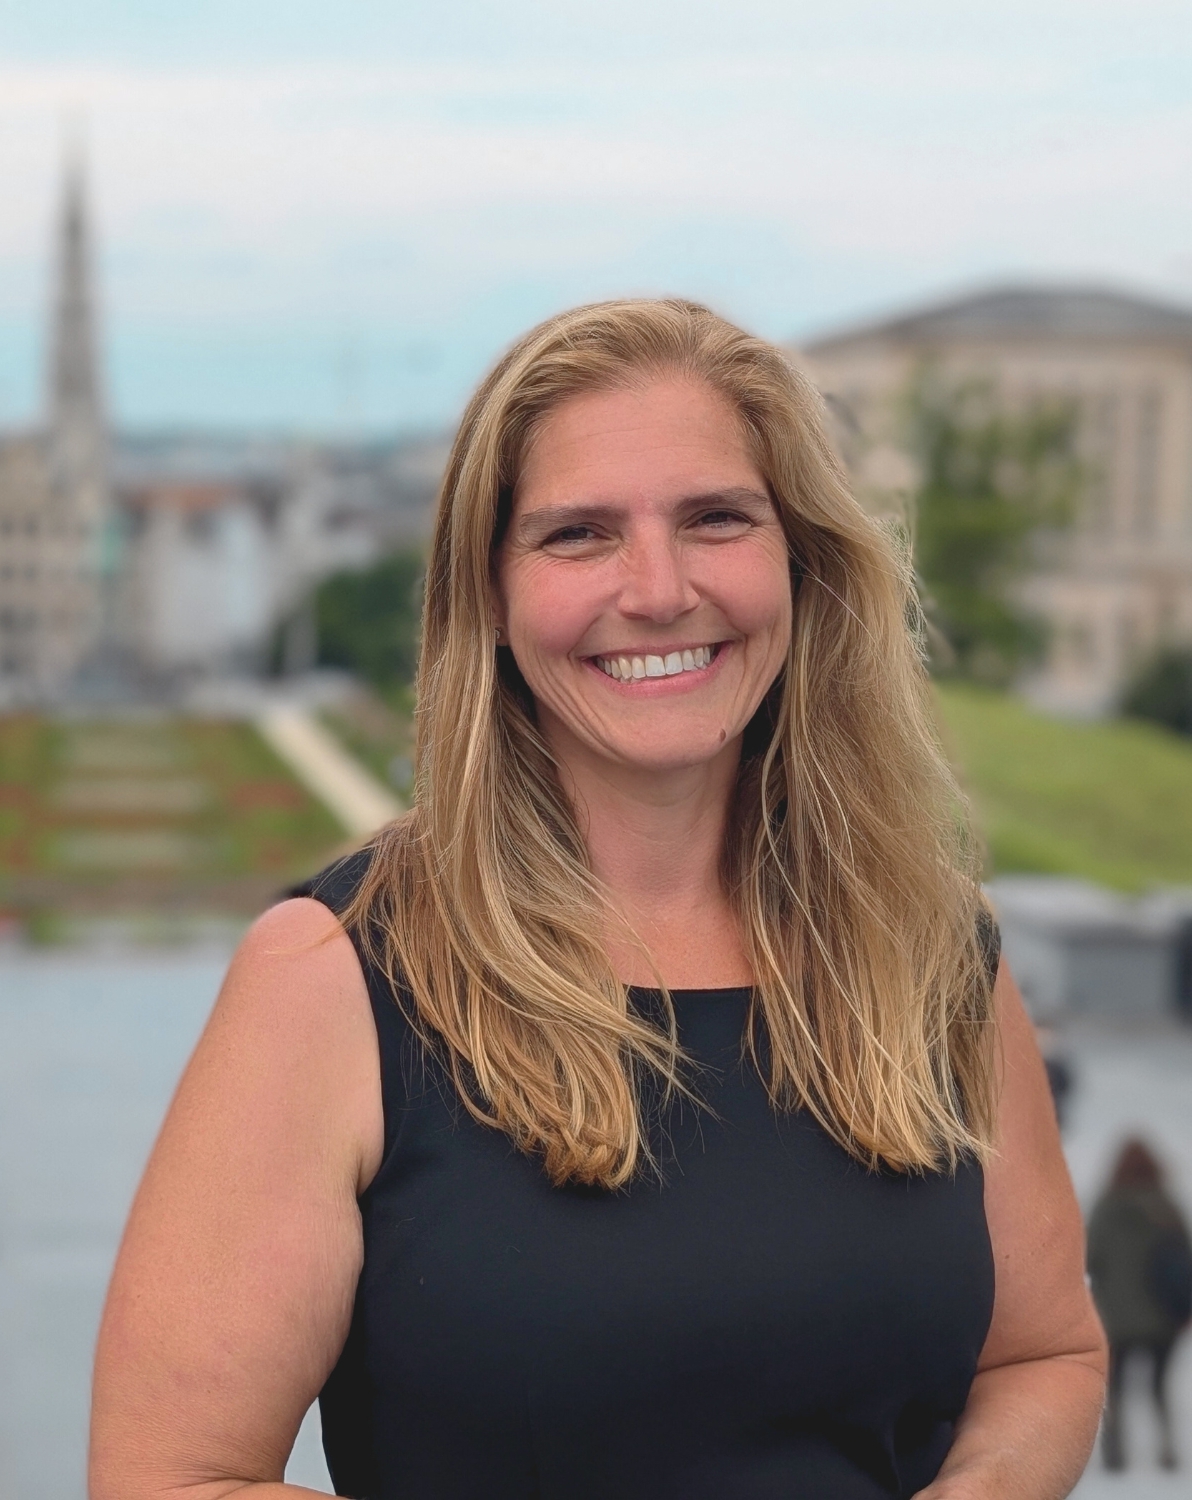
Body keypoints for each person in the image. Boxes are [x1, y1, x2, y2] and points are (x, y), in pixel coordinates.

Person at [90, 299, 1106, 1499]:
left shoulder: (932, 950)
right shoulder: (335, 979)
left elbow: (1046, 1355)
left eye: (716, 518)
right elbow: (171, 1477)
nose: (660, 587)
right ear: (493, 600)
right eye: (579, 535)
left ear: (801, 557)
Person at [1088, 1137, 1192, 1471]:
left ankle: (1115, 1450)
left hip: (1116, 1319)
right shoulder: (1166, 1205)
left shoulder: (1107, 1206)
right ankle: (1166, 1447)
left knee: (1116, 1386)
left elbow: (1091, 1258)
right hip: (1163, 1319)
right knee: (1158, 1386)